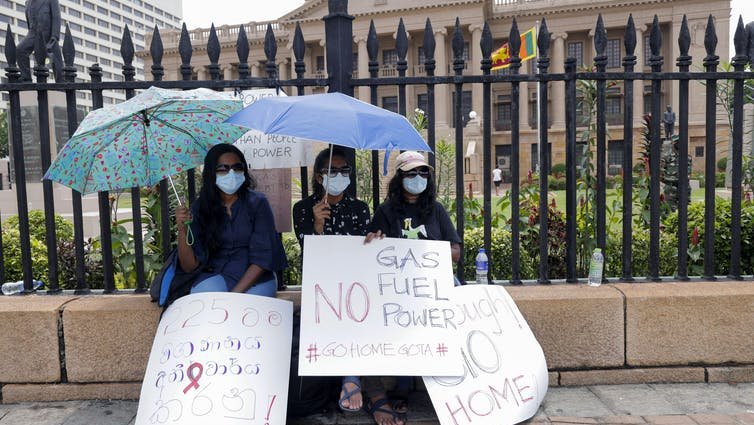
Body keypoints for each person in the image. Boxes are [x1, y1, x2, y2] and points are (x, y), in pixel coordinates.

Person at [362, 151, 462, 425]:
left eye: (423, 173)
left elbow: (456, 252)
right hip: (398, 289)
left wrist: (429, 252)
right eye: (411, 174)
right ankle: (402, 388)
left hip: (434, 284)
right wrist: (375, 239)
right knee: (401, 319)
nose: (418, 178)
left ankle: (458, 382)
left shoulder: (437, 210)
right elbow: (371, 247)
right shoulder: (386, 211)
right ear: (399, 178)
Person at [291, 146, 371, 413]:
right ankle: (345, 378)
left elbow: (363, 249)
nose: (339, 175)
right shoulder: (303, 208)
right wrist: (316, 226)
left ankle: (351, 376)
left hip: (353, 281)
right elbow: (308, 250)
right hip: (320, 283)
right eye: (331, 171)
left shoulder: (359, 208)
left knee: (356, 304)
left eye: (343, 170)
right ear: (318, 177)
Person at [174, 143, 287, 297]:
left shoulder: (258, 203)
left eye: (237, 168)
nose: (231, 173)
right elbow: (189, 266)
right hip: (216, 275)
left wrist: (234, 296)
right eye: (223, 169)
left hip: (256, 279)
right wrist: (182, 228)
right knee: (203, 301)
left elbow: (263, 257)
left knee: (248, 310)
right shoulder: (200, 208)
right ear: (211, 173)